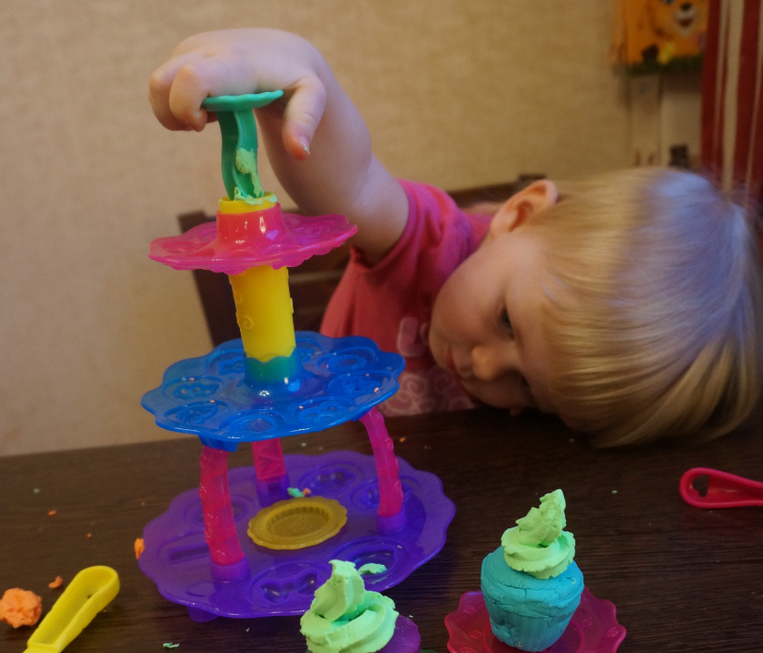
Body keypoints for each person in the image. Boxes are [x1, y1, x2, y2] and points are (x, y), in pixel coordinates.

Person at [149, 28, 763, 447]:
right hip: (324, 456)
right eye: (507, 322)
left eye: (528, 390)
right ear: (520, 215)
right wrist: (292, 67)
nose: (485, 368)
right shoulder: (428, 243)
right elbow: (352, 183)